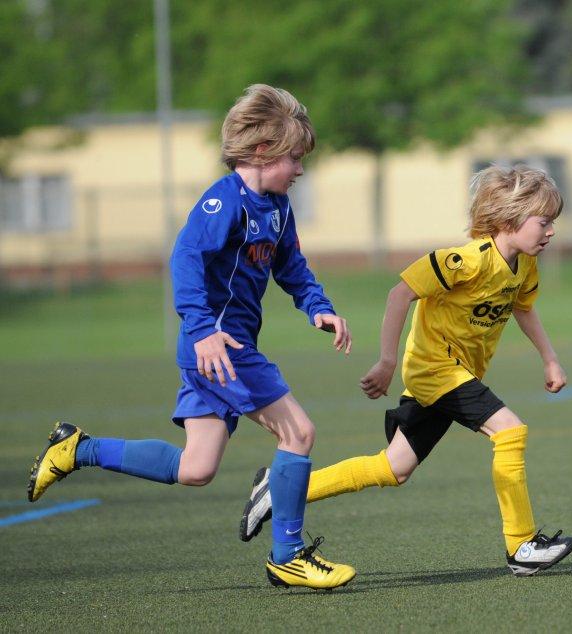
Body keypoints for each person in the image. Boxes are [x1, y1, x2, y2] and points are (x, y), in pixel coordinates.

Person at [26, 84, 355, 591]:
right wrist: (203, 331)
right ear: (262, 151)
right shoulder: (223, 201)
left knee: (196, 468)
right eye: (294, 158)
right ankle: (287, 556)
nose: (300, 169)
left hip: (221, 351)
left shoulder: (278, 207)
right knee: (299, 434)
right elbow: (185, 259)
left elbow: (291, 265)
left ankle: (77, 449)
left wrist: (319, 307)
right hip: (221, 348)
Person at [238, 165, 572, 576]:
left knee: (393, 467)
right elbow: (399, 294)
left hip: (458, 374)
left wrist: (549, 358)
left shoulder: (524, 266)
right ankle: (521, 545)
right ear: (509, 220)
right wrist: (387, 361)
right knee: (510, 431)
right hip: (437, 370)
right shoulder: (462, 261)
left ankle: (280, 489)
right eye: (544, 222)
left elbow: (523, 308)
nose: (551, 231)